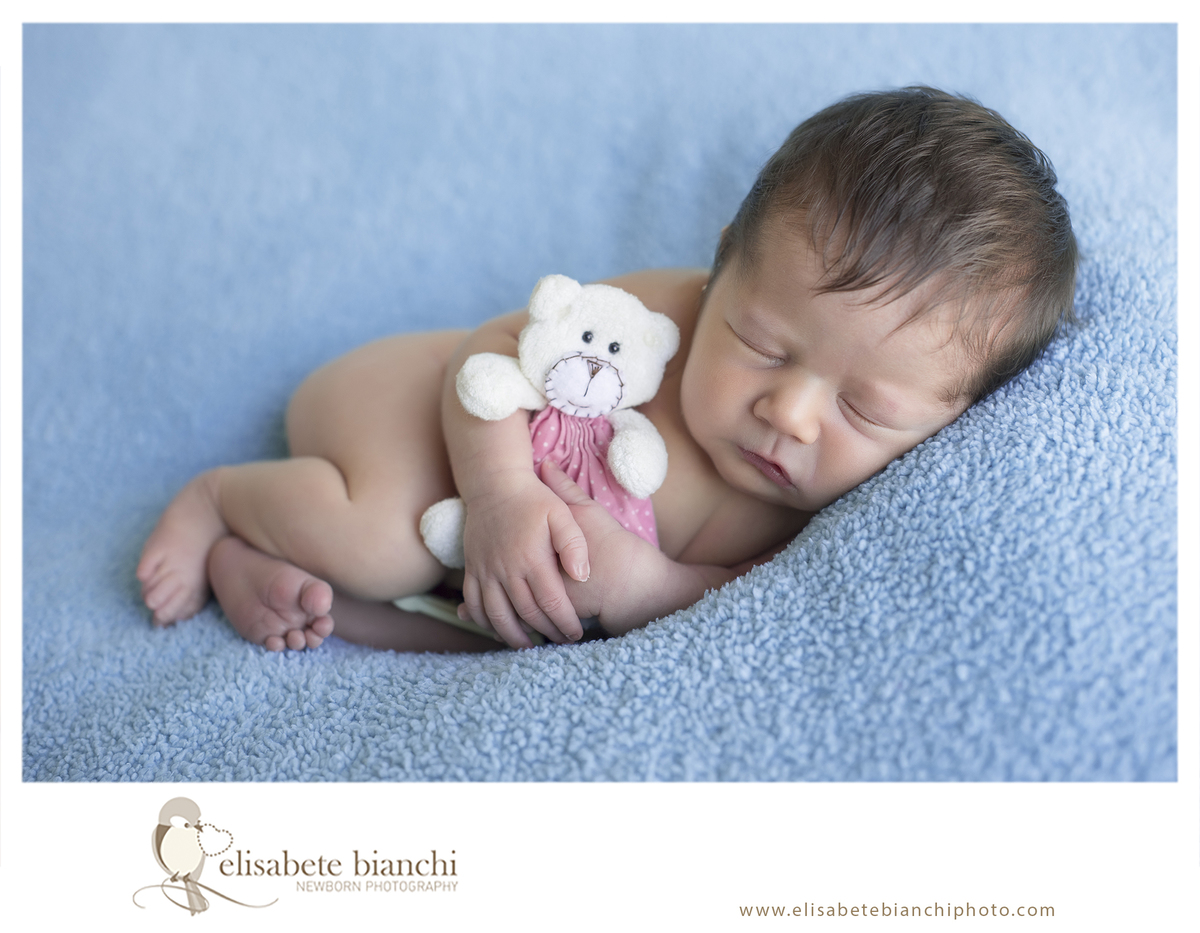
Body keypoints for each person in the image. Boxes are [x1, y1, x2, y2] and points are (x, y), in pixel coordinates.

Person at [136, 86, 1078, 653]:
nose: (789, 412)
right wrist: (501, 495)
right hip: (418, 412)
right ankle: (222, 499)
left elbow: (739, 602)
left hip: (470, 567)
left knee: (488, 632)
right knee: (387, 542)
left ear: (951, 421)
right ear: (722, 270)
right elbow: (491, 354)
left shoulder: (846, 519)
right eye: (762, 343)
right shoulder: (662, 316)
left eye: (866, 409)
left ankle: (264, 569)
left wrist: (647, 590)